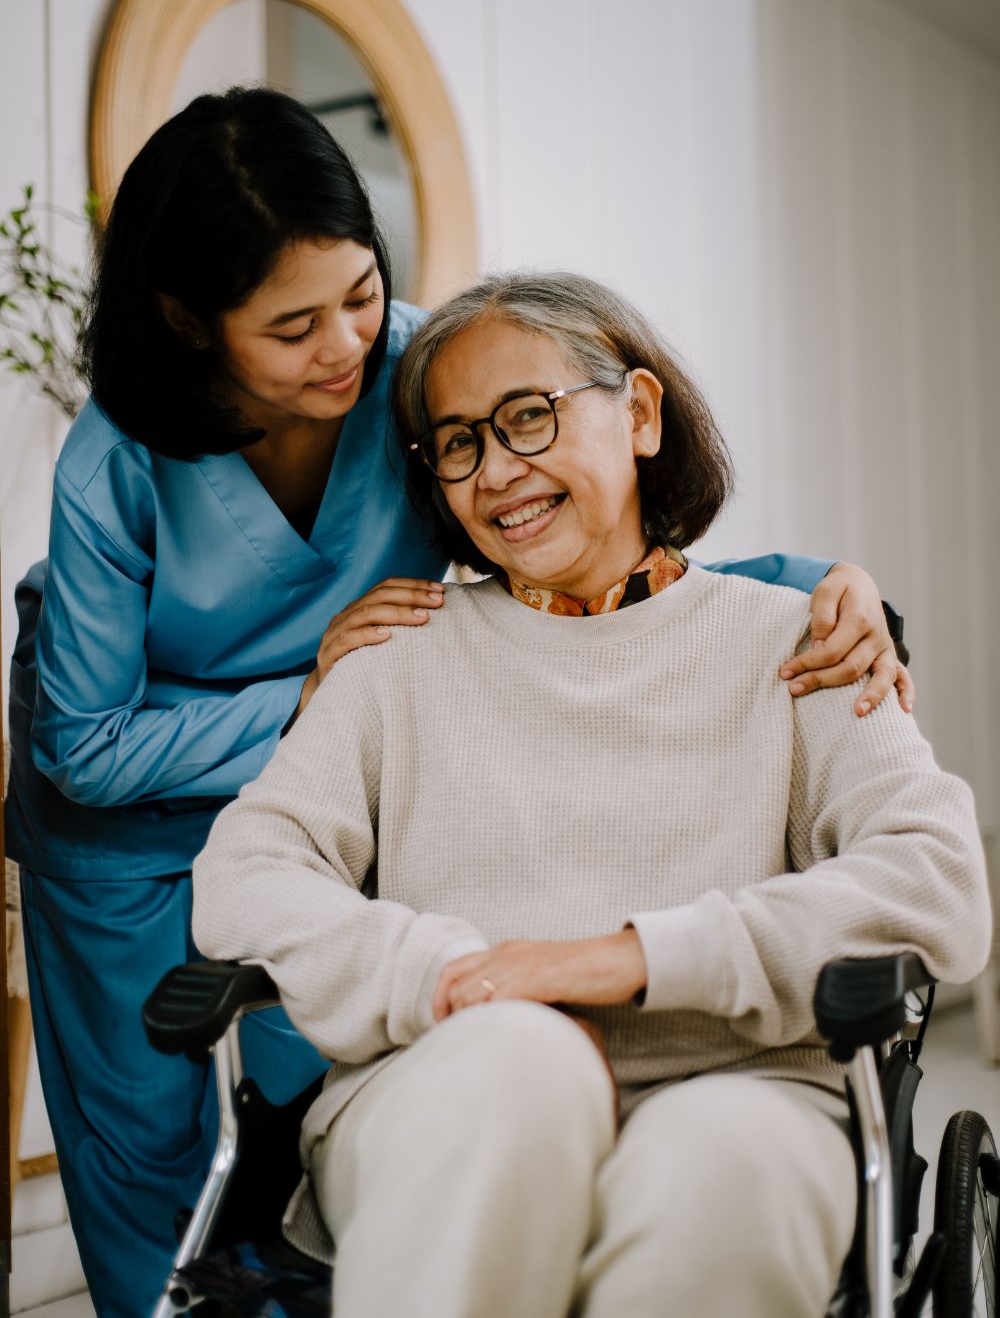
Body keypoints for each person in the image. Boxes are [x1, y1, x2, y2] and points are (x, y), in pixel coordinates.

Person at [4, 91, 904, 1316]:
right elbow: (84, 743)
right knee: (146, 1153)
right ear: (192, 324)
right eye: (292, 325)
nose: (344, 345)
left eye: (361, 293)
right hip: (121, 798)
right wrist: (317, 689)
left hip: (337, 744)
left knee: (325, 1098)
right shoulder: (117, 456)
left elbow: (596, 542)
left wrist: (822, 588)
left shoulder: (435, 381)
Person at [192, 271, 990, 1318]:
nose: (499, 469)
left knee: (719, 1169)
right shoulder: (397, 658)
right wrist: (449, 975)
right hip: (449, 1077)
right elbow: (245, 872)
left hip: (746, 1087)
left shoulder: (799, 642)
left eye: (529, 415)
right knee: (521, 1062)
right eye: (461, 440)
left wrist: (629, 956)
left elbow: (936, 881)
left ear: (641, 413)